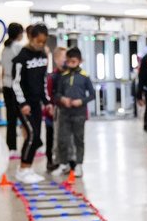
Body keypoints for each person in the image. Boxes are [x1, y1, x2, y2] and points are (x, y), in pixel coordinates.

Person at [11, 22, 50, 184]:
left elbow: (43, 81)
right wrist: (23, 103)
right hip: (23, 104)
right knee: (32, 134)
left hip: (36, 103)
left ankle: (28, 167)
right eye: (38, 41)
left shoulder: (43, 57)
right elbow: (16, 83)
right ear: (31, 38)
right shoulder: (21, 58)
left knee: (36, 136)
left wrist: (46, 101)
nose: (41, 45)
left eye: (43, 42)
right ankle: (23, 169)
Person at [54, 47, 95, 178]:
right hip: (65, 112)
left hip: (79, 113)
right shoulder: (63, 76)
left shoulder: (84, 76)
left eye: (74, 61)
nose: (71, 64)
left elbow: (92, 94)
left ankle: (79, 165)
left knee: (79, 139)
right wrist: (62, 99)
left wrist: (81, 101)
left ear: (79, 61)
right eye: (69, 61)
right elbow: (56, 94)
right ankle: (63, 164)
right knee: (62, 139)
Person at [0, 22, 25, 152]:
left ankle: (11, 148)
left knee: (11, 119)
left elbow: (3, 70)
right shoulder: (19, 48)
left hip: (6, 86)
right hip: (16, 87)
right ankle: (30, 144)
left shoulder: (5, 49)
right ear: (19, 33)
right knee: (24, 117)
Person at [45, 45, 67, 171]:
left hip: (65, 113)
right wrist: (50, 108)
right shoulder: (52, 77)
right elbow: (48, 93)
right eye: (64, 57)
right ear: (57, 59)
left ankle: (63, 160)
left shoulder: (68, 75)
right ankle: (50, 160)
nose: (66, 60)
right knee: (51, 137)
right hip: (52, 113)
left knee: (63, 138)